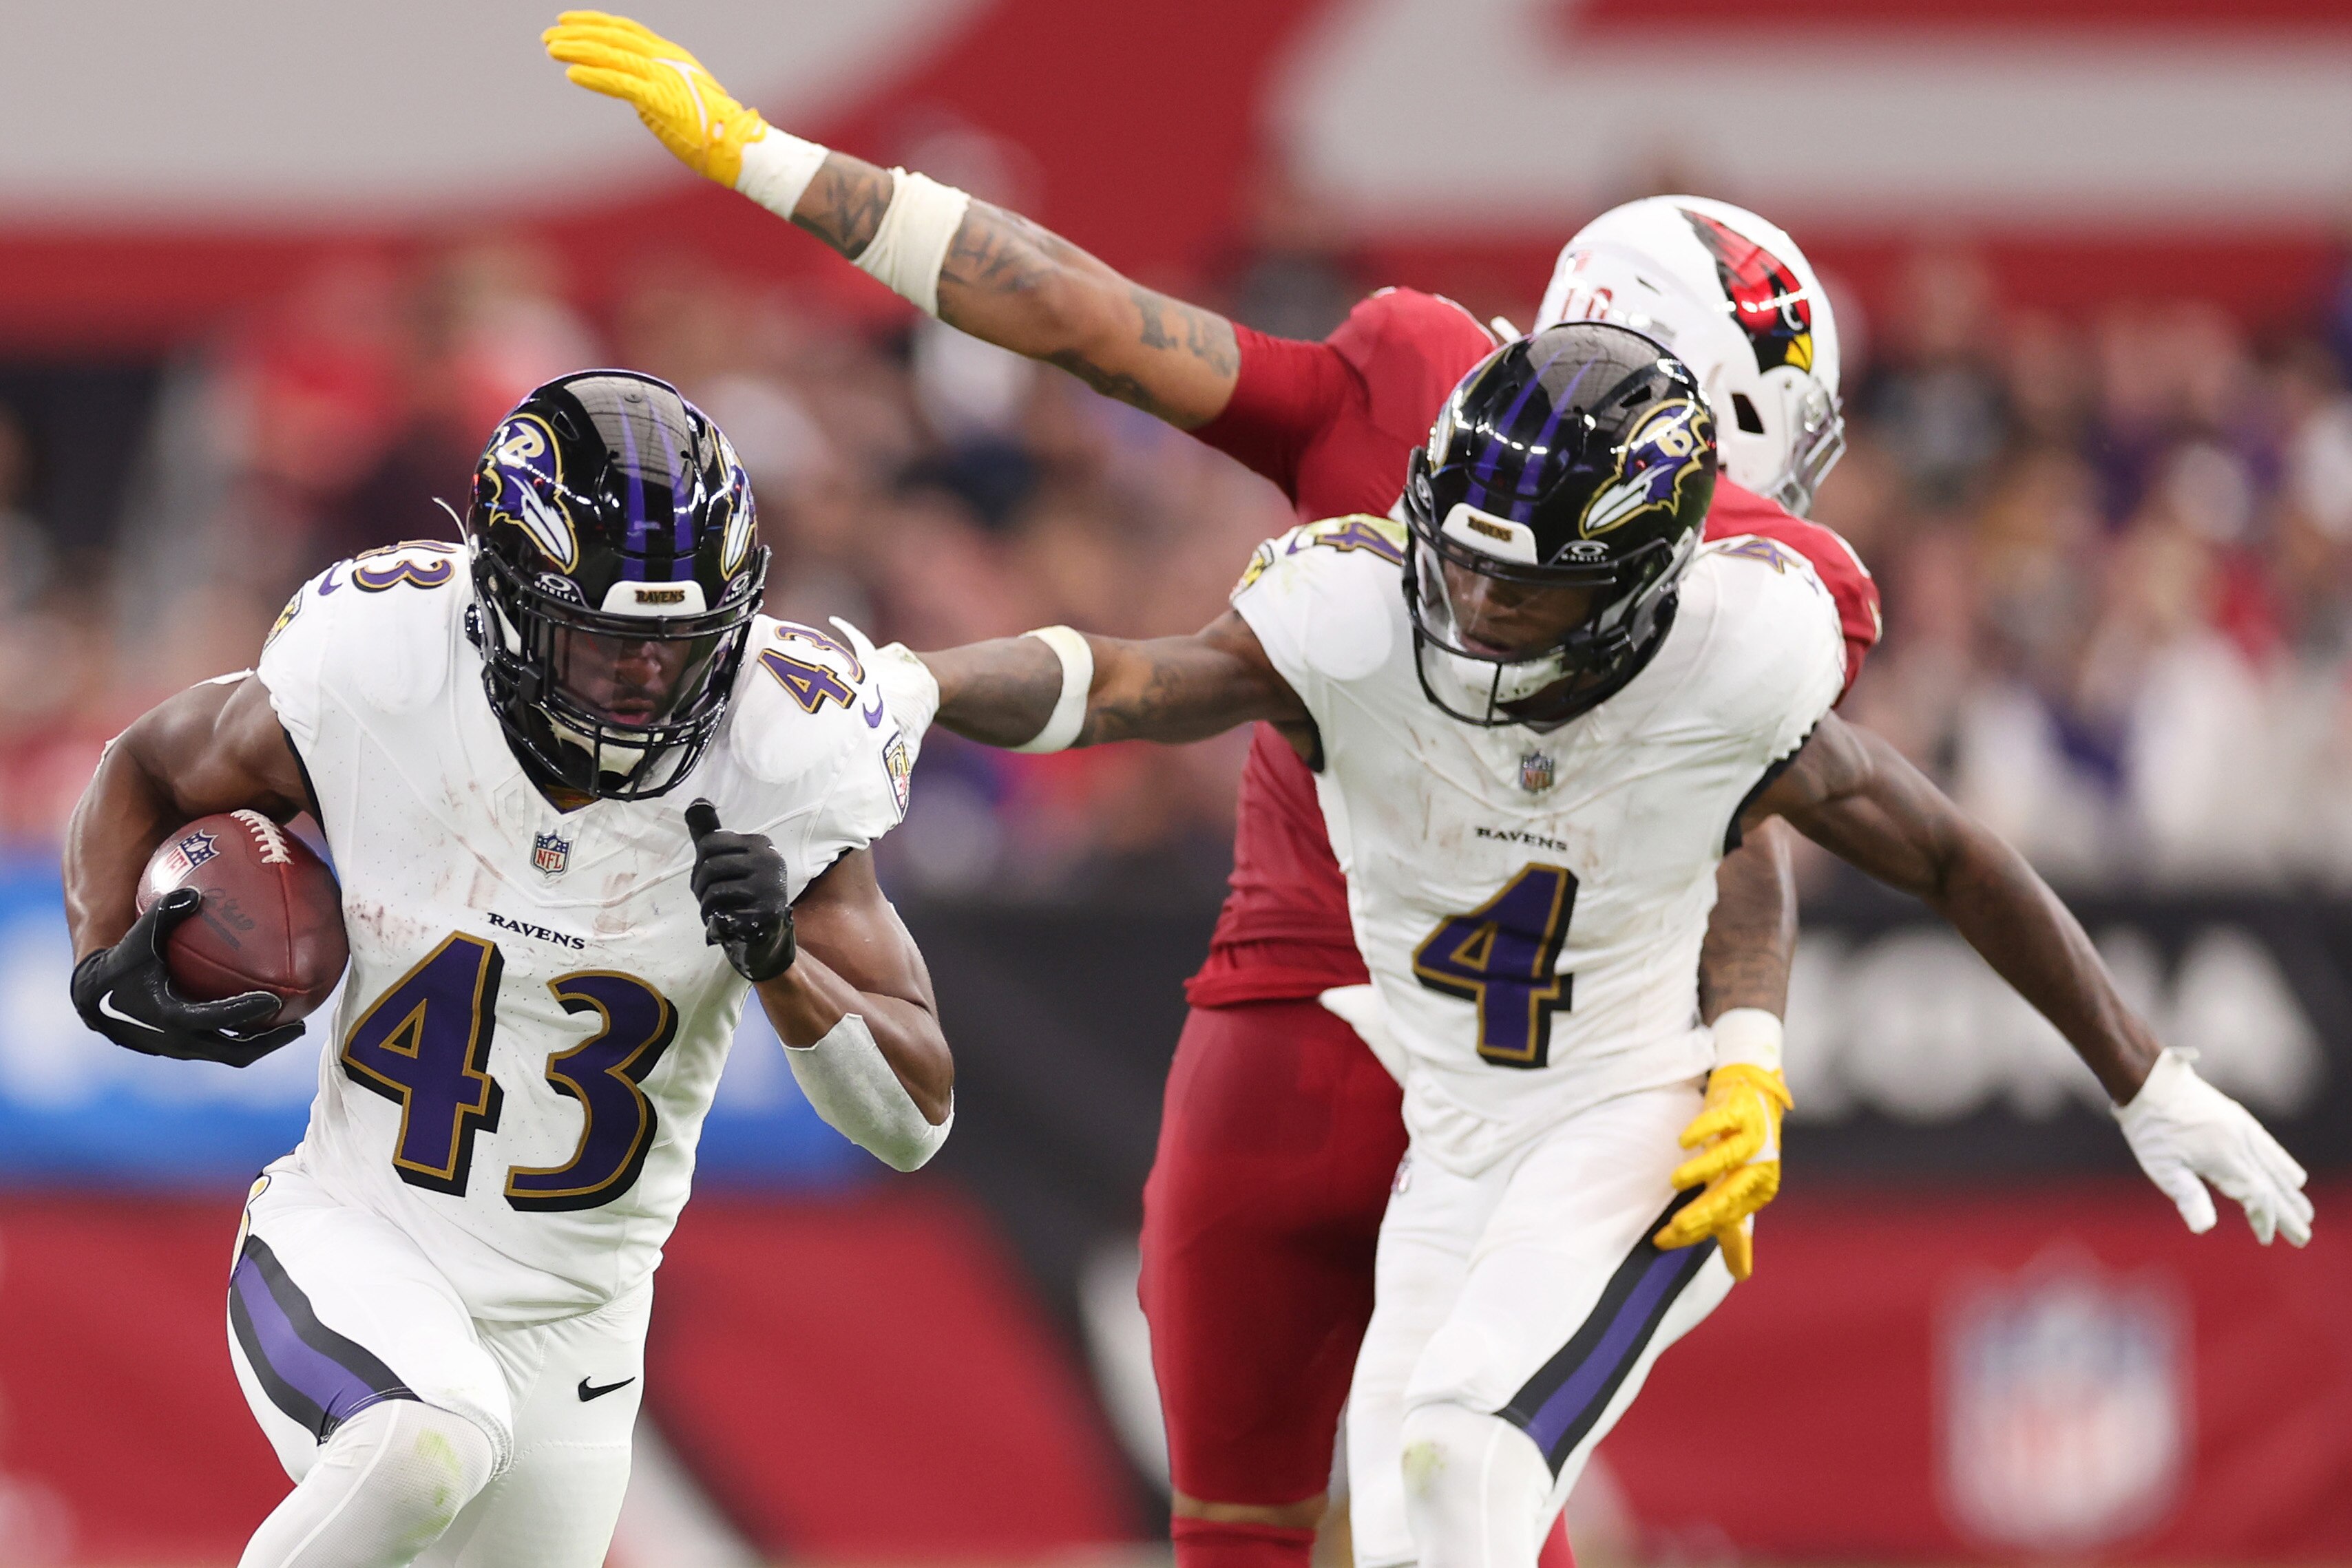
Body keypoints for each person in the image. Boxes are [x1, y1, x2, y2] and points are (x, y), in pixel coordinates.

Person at [540, 17, 1875, 1566]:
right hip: (1465, 1067)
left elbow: (1078, 323)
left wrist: (770, 162)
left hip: (1317, 1046)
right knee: (1465, 1504)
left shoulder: (1443, 401)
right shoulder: (1737, 556)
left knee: (1313, 1519)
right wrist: (1747, 1043)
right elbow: (1767, 814)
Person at [869, 323, 2311, 1568]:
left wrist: (2143, 1077)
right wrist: (903, 686)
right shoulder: (1358, 616)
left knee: (1460, 1460)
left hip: (1634, 1130)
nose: (1481, 610)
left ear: (1643, 583)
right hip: (1454, 1143)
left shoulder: (1728, 662)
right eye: (1465, 566)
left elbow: (1944, 850)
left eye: (1532, 588)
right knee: (1411, 1509)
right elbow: (1122, 681)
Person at [62, 372, 952, 1568]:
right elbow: (148, 763)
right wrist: (96, 947)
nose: (644, 685)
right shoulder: (384, 666)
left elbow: (914, 1120)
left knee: (459, 1442)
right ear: (506, 605)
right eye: (606, 645)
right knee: (427, 1437)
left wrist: (783, 965)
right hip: (357, 1233)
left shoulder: (782, 754)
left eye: (677, 651)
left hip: (581, 1330)